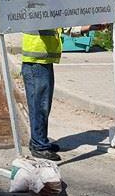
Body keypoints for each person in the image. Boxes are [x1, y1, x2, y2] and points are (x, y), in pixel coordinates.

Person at [21, 23, 106, 161]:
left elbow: (62, 27)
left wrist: (90, 27)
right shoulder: (40, 7)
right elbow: (59, 26)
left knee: (43, 105)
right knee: (40, 106)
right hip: (36, 61)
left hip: (42, 60)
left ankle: (39, 140)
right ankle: (39, 145)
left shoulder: (48, 8)